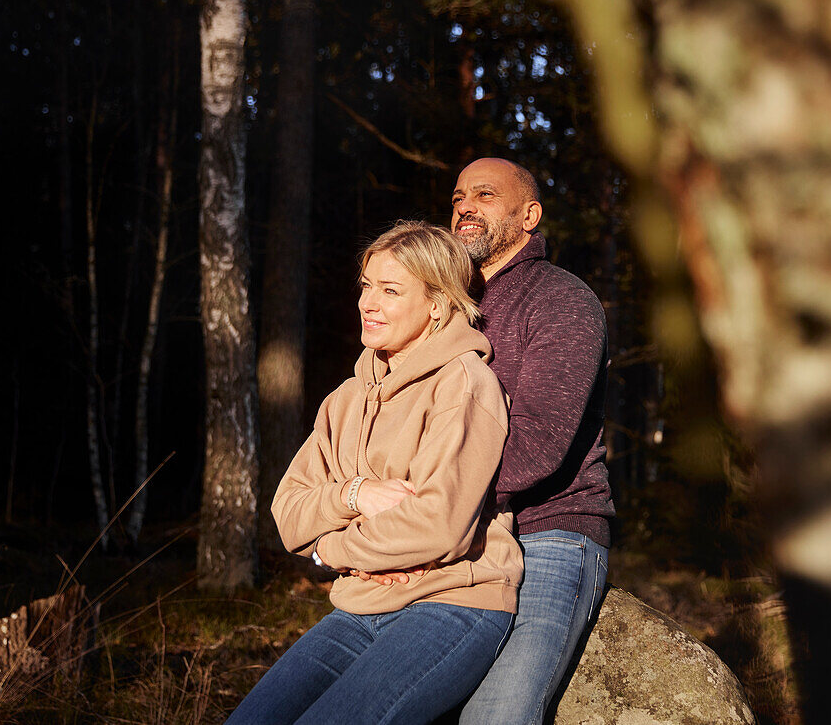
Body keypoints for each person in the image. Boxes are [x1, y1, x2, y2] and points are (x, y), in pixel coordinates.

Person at [224, 221, 523, 725]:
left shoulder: (464, 386)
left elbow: (438, 527)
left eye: (390, 290)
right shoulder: (345, 398)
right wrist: (354, 494)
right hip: (360, 605)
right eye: (366, 286)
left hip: (452, 605)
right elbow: (288, 509)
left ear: (437, 304)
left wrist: (331, 550)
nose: (368, 303)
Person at [362, 158, 615, 723]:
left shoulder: (562, 301)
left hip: (548, 533)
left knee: (494, 715)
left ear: (531, 215)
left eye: (484, 195)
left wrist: (429, 515)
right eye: (456, 199)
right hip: (450, 530)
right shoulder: (438, 308)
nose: (464, 208)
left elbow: (539, 445)